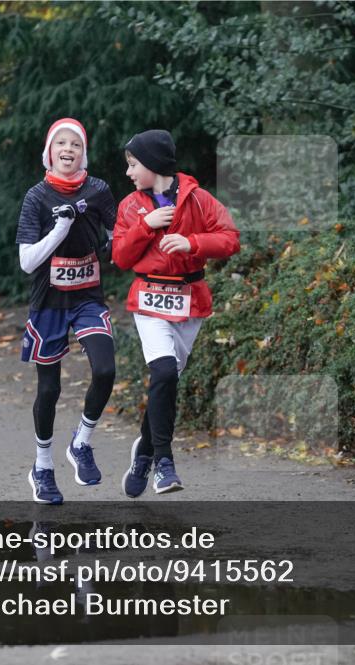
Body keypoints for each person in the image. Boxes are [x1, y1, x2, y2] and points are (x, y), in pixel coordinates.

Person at [112, 129, 240, 497]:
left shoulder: (199, 200)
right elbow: (120, 256)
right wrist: (144, 226)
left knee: (166, 383)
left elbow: (231, 239)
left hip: (190, 300)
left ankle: (144, 450)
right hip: (149, 298)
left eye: (134, 164)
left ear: (153, 163)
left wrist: (192, 242)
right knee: (164, 370)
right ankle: (164, 466)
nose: (129, 173)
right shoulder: (130, 206)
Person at [15, 118, 117, 504]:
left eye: (75, 143)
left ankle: (81, 443)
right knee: (50, 389)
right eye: (61, 143)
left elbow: (116, 236)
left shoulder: (99, 190)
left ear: (83, 152)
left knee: (106, 369)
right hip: (50, 301)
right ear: (50, 152)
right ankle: (42, 467)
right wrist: (59, 230)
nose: (68, 149)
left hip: (88, 297)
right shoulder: (36, 197)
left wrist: (116, 248)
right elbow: (27, 262)